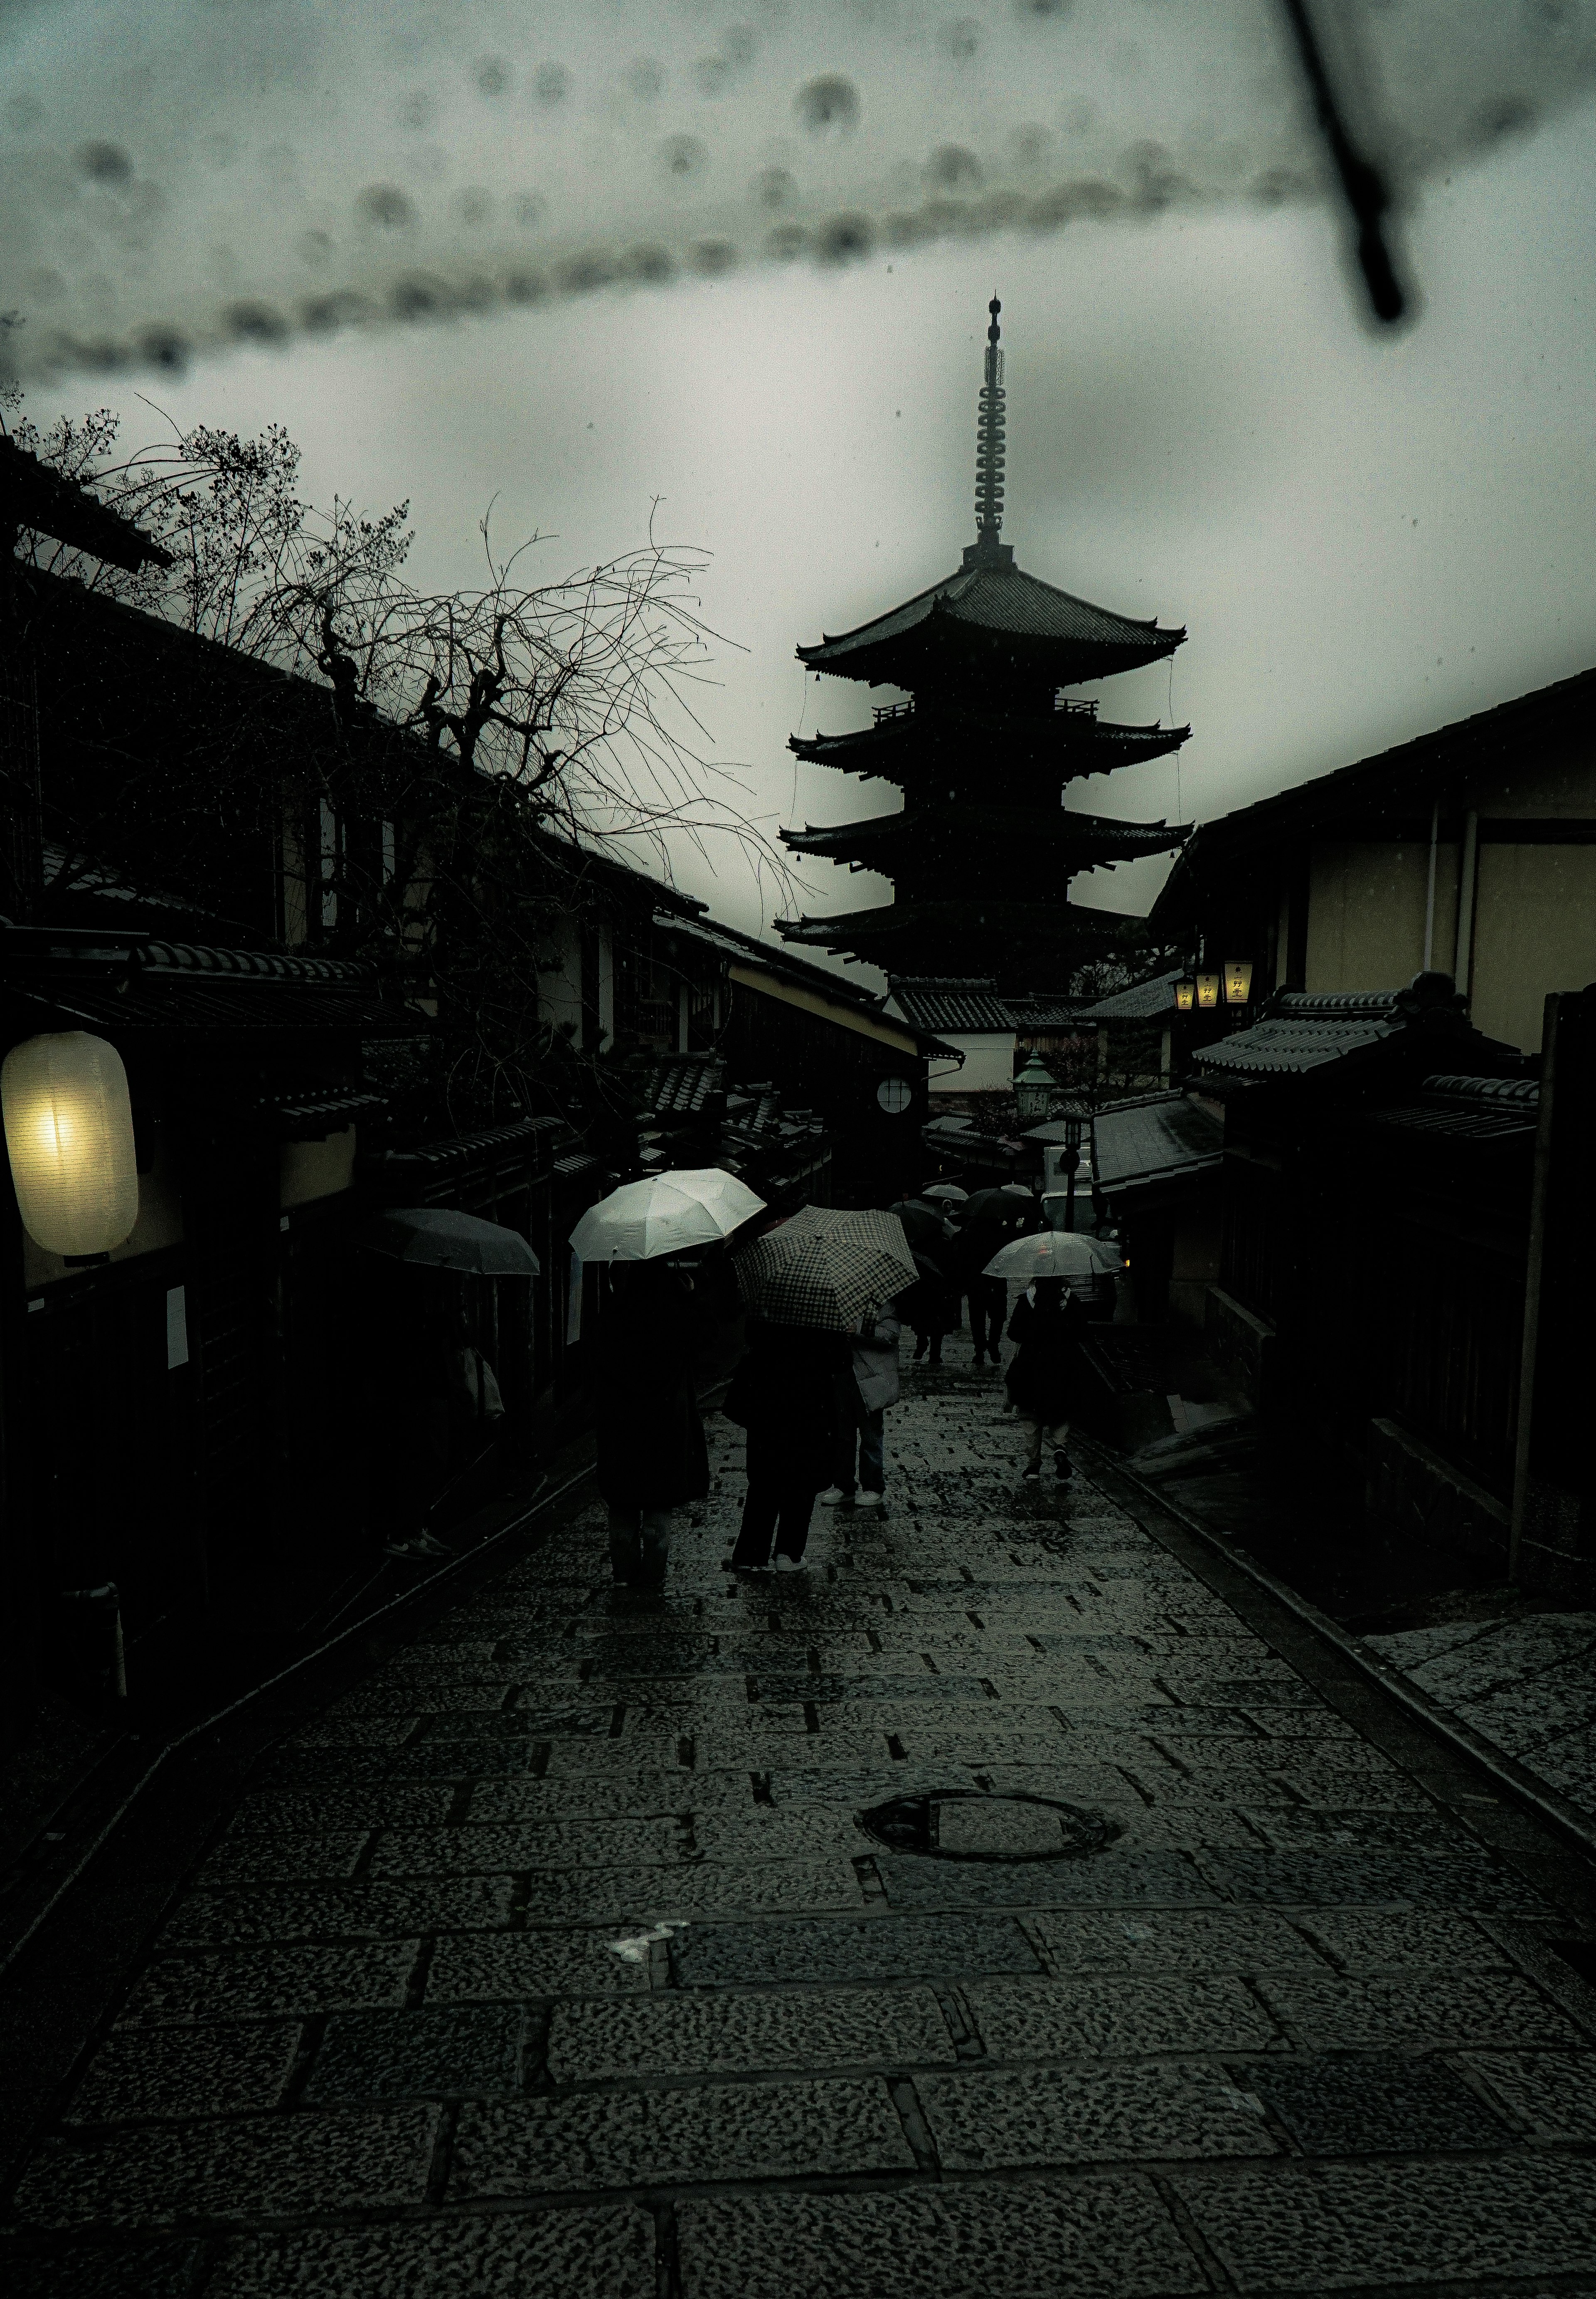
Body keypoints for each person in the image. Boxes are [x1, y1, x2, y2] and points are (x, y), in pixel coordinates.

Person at [594, 1257, 709, 1592]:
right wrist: (692, 1297)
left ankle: (623, 1578)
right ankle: (652, 1583)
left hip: (621, 1429)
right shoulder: (677, 1320)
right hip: (665, 1427)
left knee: (623, 1506)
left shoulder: (612, 1318)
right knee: (658, 1509)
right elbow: (707, 1340)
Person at [725, 1317, 849, 1570]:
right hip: (809, 1411)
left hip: (768, 1412)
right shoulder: (823, 1313)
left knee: (763, 1484)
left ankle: (751, 1555)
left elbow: (751, 1338)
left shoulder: (768, 1306)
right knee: (801, 1484)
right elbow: (841, 1362)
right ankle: (788, 1554)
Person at [1004, 1275, 1088, 1480]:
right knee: (1062, 1412)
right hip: (1063, 1366)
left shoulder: (1027, 1301)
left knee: (1030, 1417)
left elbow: (1014, 1333)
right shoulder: (1071, 1301)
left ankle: (1034, 1465)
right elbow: (1083, 1332)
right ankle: (1060, 1446)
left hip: (1031, 1366)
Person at [820, 1303, 901, 1513]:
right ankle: (843, 1484)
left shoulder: (883, 1305)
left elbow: (891, 1334)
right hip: (841, 1375)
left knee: (871, 1435)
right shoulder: (836, 1302)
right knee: (842, 1435)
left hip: (869, 1380)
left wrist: (859, 1330)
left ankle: (873, 1486)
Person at [901, 1246, 956, 1366]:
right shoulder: (944, 1246)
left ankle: (923, 1344)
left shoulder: (915, 1248)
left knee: (922, 1319)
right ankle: (934, 1354)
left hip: (922, 1289)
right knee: (935, 1323)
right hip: (936, 1290)